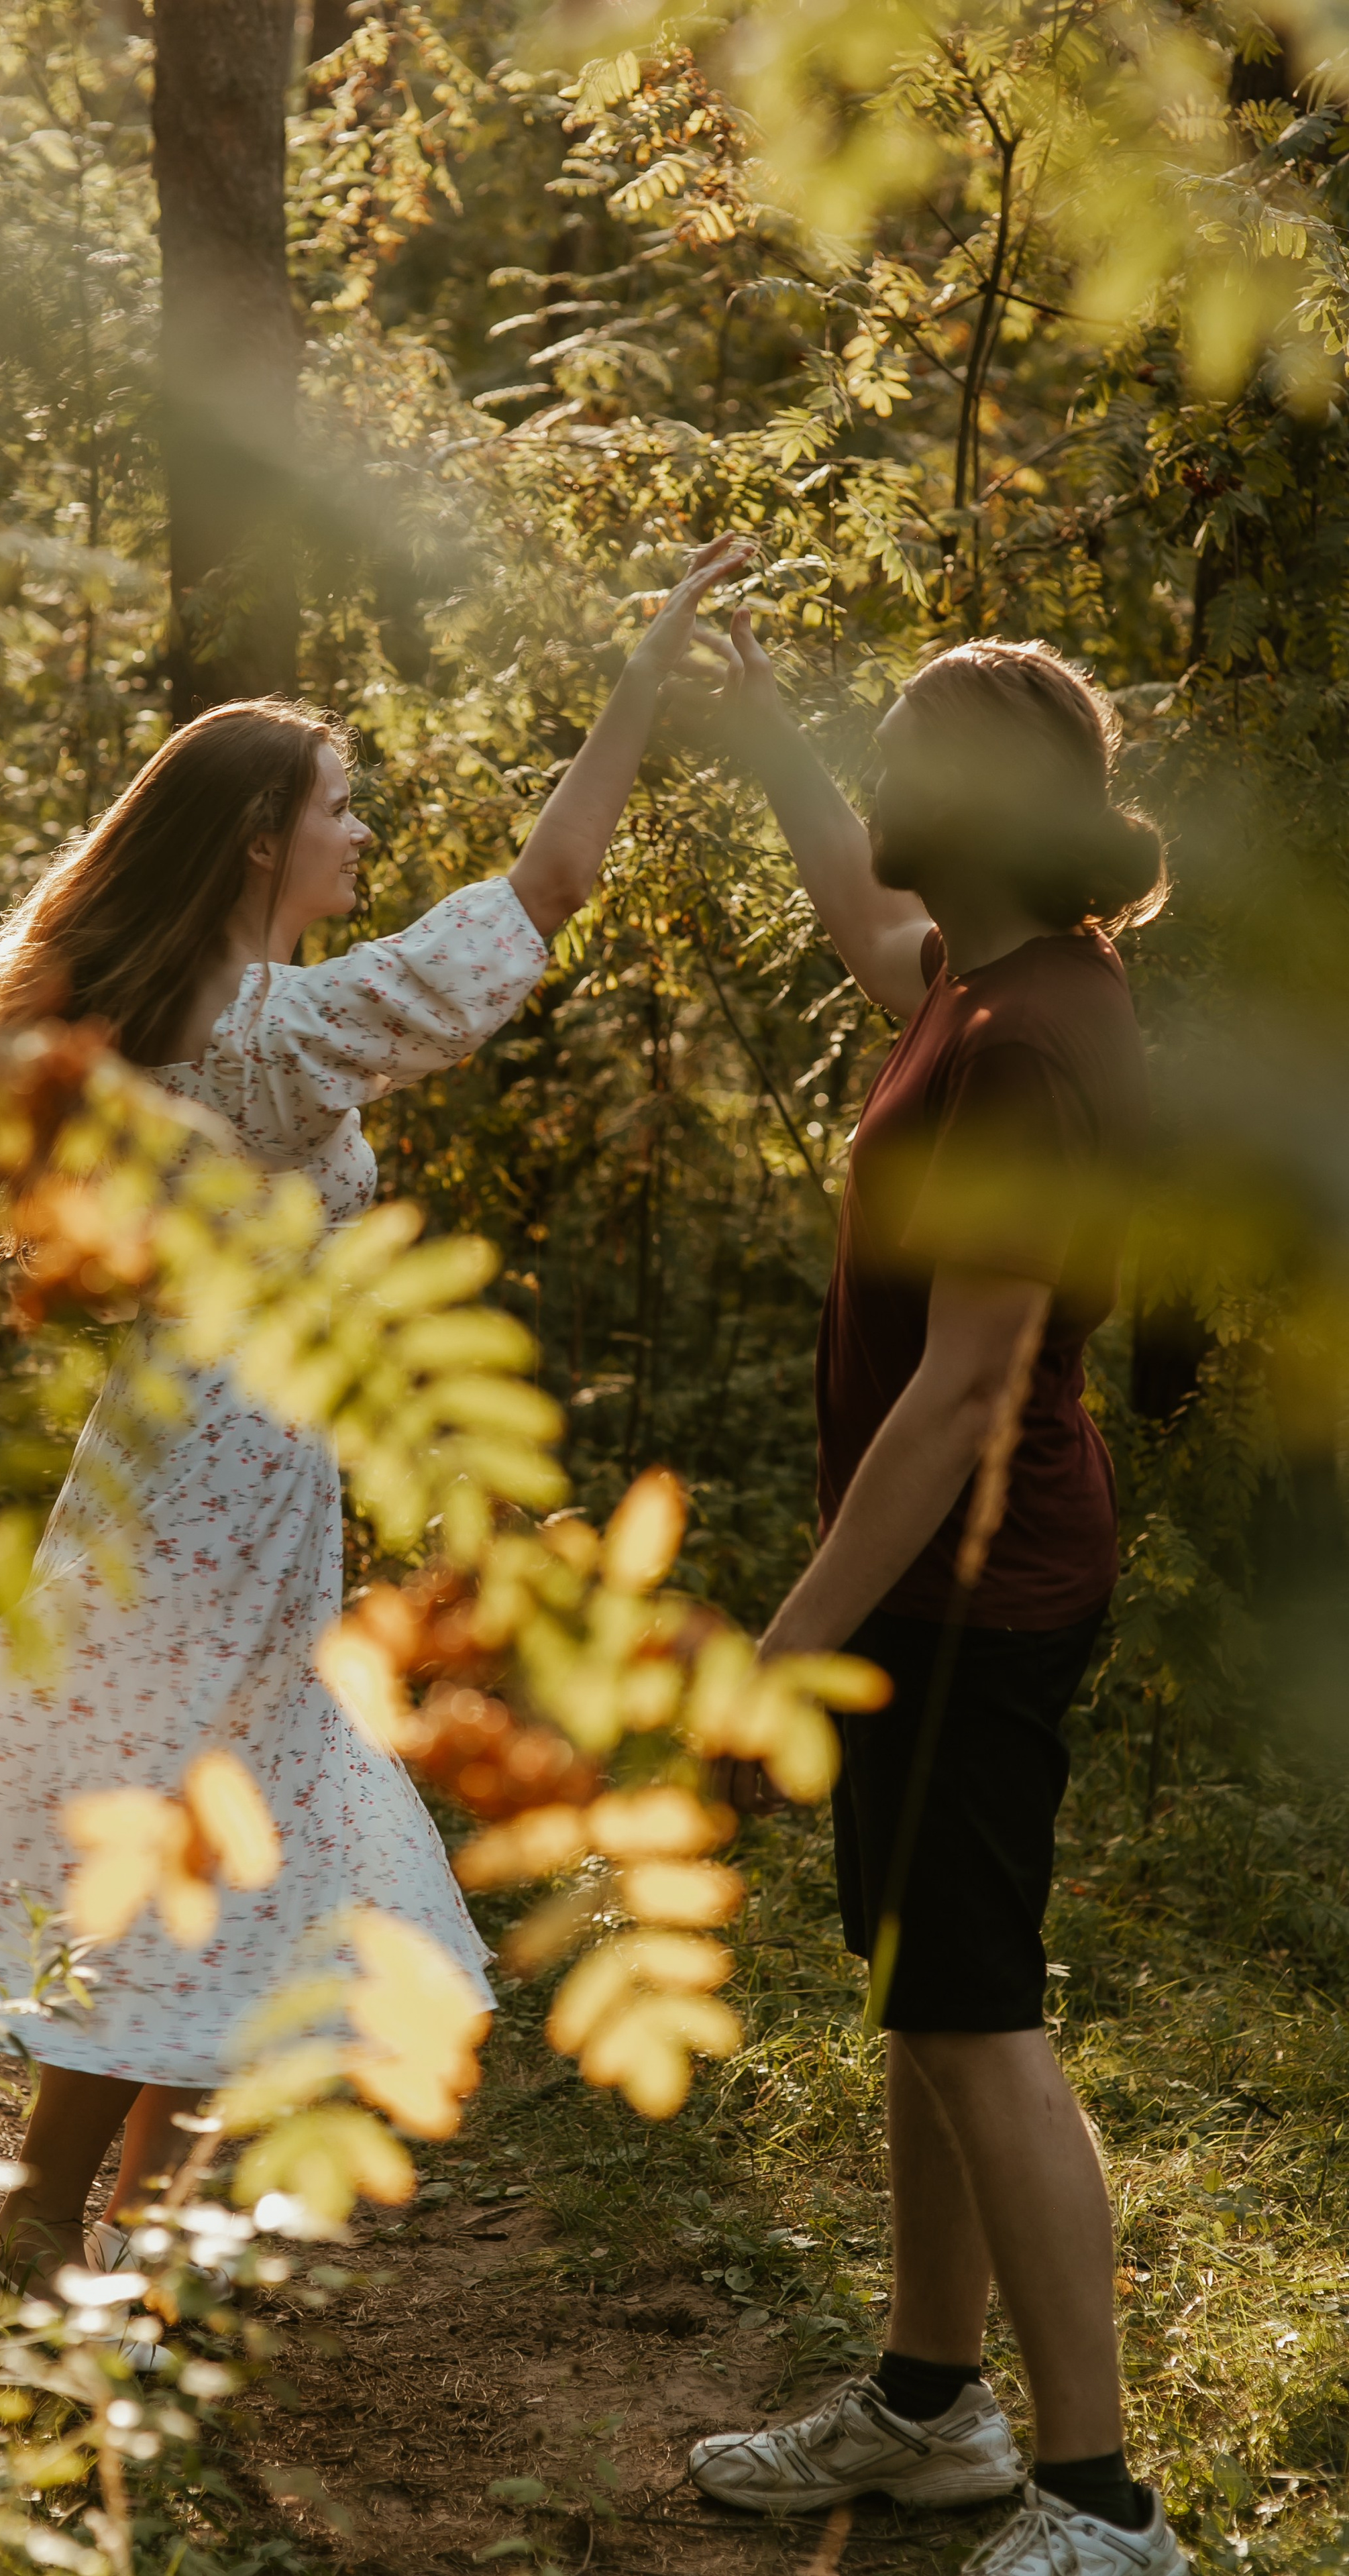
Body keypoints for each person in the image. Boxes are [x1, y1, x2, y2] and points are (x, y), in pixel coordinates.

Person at [0, 534, 751, 2292]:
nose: (357, 835)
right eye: (338, 807)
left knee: (190, 1815)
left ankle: (108, 2227)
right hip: (237, 1475)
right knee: (195, 1816)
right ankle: (68, 2218)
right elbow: (550, 883)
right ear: (261, 836)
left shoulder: (133, 1023)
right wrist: (646, 674)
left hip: (164, 1454)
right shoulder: (288, 1033)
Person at [686, 627, 1185, 2576]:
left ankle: (1100, 2501)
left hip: (973, 1592)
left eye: (893, 753)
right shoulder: (986, 987)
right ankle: (929, 2404)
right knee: (922, 2000)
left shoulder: (1025, 1047)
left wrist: (787, 1648)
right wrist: (772, 750)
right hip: (940, 1585)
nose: (869, 779)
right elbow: (856, 920)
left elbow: (966, 1391)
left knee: (976, 2019)